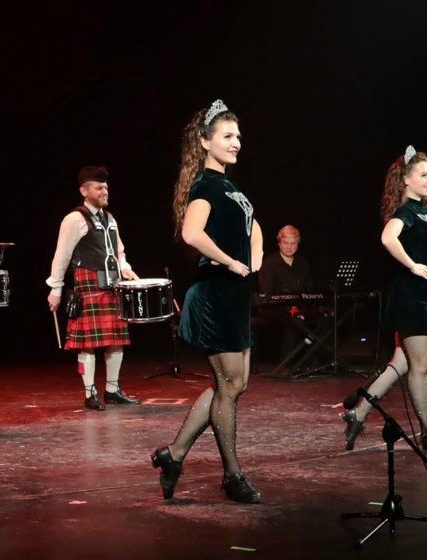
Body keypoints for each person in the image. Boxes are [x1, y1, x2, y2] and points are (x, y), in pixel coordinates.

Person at [151, 99, 264, 503]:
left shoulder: (231, 187)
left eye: (238, 136)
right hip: (215, 294)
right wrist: (231, 261)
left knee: (233, 385)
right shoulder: (206, 186)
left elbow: (254, 227)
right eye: (227, 136)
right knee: (229, 386)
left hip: (234, 294)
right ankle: (233, 476)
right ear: (204, 141)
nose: (236, 143)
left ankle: (174, 454)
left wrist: (255, 257)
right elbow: (191, 233)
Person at [340, 146, 427, 453]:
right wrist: (412, 265)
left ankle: (358, 413)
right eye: (423, 175)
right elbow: (388, 238)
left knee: (401, 362)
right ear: (406, 181)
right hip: (411, 298)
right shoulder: (406, 212)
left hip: (424, 297)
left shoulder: (426, 212)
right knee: (420, 366)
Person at [47, 166, 142, 410]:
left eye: (106, 187)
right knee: (87, 343)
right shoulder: (74, 219)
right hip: (88, 284)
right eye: (99, 188)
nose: (105, 191)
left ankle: (112, 390)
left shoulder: (110, 218)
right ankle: (90, 394)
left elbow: (119, 251)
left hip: (112, 285)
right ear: (84, 191)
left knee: (116, 339)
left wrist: (125, 267)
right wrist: (55, 289)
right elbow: (62, 255)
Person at [256, 225, 317, 363]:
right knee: (293, 319)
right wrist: (291, 308)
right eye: (285, 243)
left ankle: (315, 361)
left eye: (293, 243)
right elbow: (268, 294)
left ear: (298, 244)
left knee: (325, 317)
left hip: (299, 306)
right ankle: (286, 363)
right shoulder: (268, 264)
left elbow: (308, 289)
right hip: (274, 308)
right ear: (279, 243)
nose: (289, 247)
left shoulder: (302, 263)